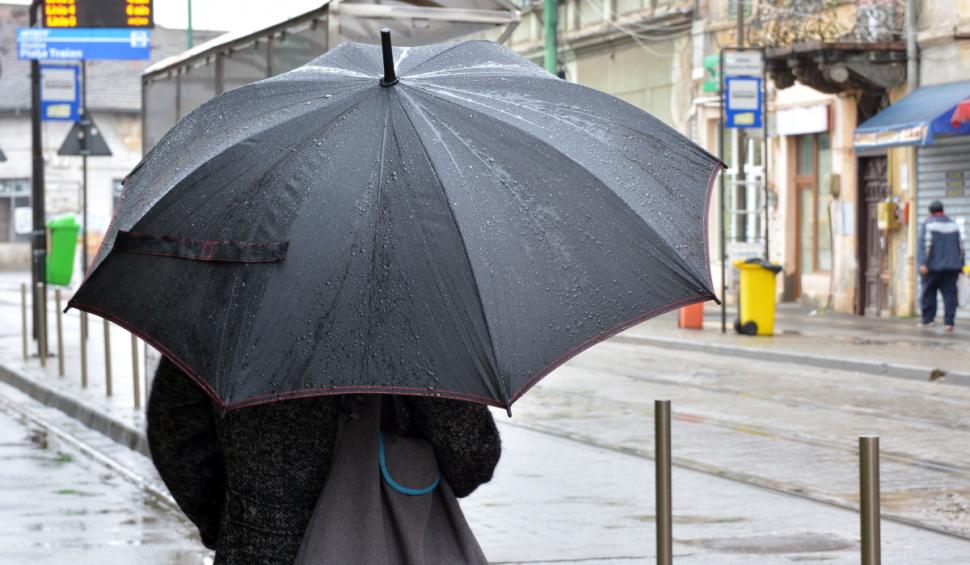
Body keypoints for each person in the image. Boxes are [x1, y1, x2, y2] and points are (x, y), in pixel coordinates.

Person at [146, 357, 501, 564]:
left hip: (257, 551)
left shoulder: (227, 288)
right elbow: (471, 460)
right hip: (390, 545)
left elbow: (176, 432)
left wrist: (238, 523)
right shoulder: (409, 306)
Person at [917, 200, 966, 332]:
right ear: (942, 211)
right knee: (950, 295)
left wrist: (922, 263)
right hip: (952, 267)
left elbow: (926, 245)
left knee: (929, 293)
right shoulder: (954, 225)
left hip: (933, 267)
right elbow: (961, 248)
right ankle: (949, 323)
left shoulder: (928, 224)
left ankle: (928, 320)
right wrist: (961, 264)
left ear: (930, 212)